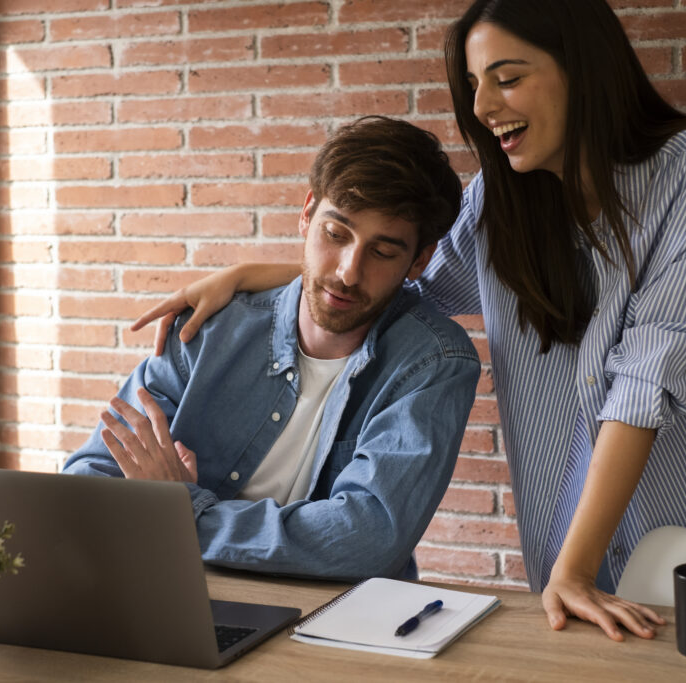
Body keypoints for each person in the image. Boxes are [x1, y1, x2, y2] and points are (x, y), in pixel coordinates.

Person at [132, 0, 686, 641]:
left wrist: (573, 570)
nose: (483, 107)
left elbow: (645, 382)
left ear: (585, 70)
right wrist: (254, 277)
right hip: (569, 579)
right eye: (473, 85)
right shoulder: (503, 206)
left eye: (508, 77)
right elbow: (398, 278)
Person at [64, 116, 480, 581]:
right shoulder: (209, 330)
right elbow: (90, 479)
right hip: (177, 591)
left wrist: (184, 515)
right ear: (307, 215)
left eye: (382, 252)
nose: (347, 271)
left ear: (418, 261)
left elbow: (368, 538)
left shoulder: (432, 363)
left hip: (332, 618)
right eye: (335, 233)